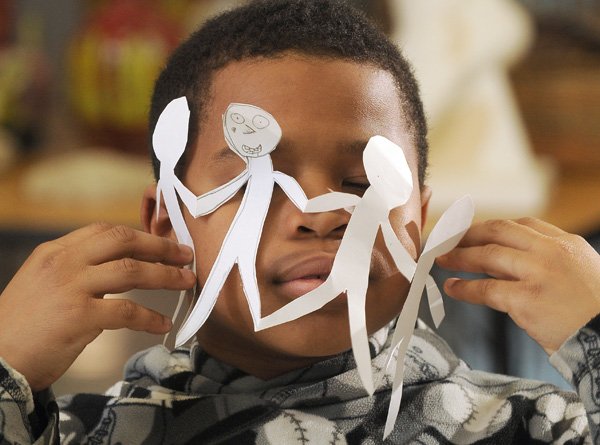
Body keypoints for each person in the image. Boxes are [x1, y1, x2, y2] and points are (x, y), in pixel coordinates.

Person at [1, 0, 600, 443]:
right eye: (254, 179)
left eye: (364, 184)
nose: (320, 216)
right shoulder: (77, 433)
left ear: (417, 220)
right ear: (169, 223)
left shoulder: (535, 429)